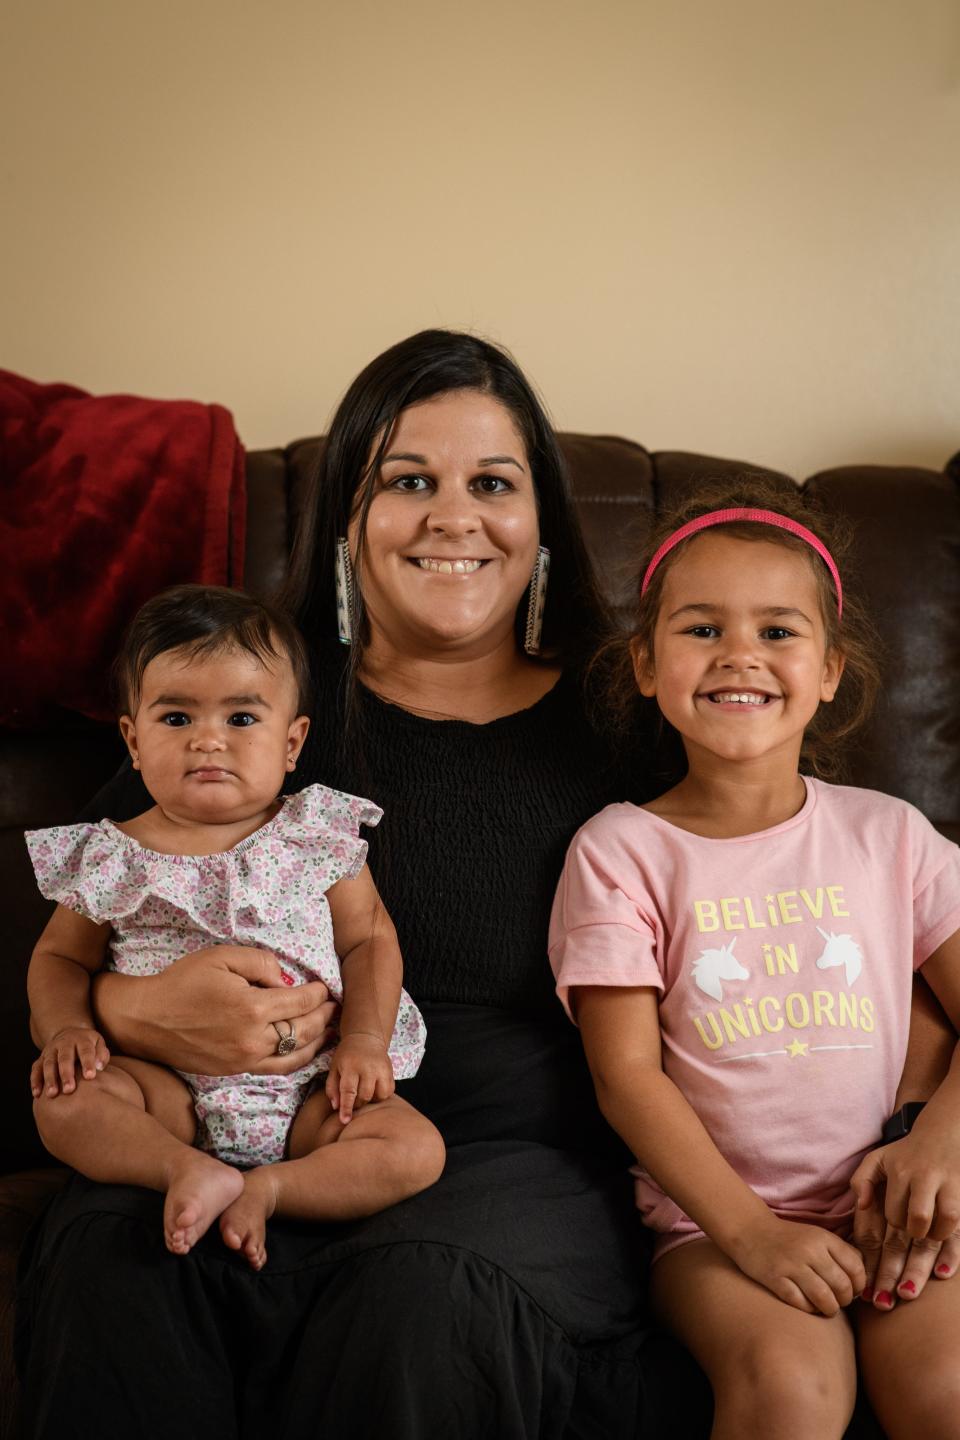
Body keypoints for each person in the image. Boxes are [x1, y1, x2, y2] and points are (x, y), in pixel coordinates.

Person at [17, 331, 682, 1440]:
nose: (453, 518)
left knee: (419, 1297)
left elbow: (813, 896)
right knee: (119, 1263)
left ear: (542, 521)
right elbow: (72, 935)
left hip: (506, 1163)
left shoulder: (631, 722)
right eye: (408, 481)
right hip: (206, 1125)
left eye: (493, 484)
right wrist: (131, 1011)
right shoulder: (240, 708)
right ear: (346, 515)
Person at [549, 480, 960, 1438]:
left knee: (945, 1391)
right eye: (702, 629)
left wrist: (939, 1144)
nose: (741, 654)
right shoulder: (620, 852)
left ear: (829, 670)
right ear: (646, 665)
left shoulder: (890, 835)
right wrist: (750, 1233)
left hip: (900, 1201)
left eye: (779, 630)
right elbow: (626, 1079)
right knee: (793, 1396)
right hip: (716, 1228)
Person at [25, 585, 442, 1271]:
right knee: (64, 1107)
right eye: (177, 716)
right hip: (164, 1093)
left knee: (414, 1149)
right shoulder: (109, 855)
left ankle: (272, 1190)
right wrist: (67, 1029)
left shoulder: (314, 834)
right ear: (133, 739)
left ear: (292, 741)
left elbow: (369, 939)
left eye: (243, 717)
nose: (208, 739)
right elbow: (59, 959)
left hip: (312, 1089)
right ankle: (181, 1170)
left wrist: (365, 1040)